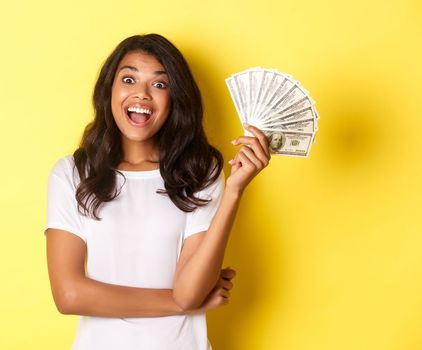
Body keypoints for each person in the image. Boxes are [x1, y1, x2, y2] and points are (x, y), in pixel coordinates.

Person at [45, 34, 271, 350]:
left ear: (175, 98)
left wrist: (234, 191)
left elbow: (190, 291)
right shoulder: (72, 173)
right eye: (128, 79)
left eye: (160, 85)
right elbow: (68, 295)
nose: (142, 93)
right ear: (109, 90)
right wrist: (179, 304)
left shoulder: (200, 172)